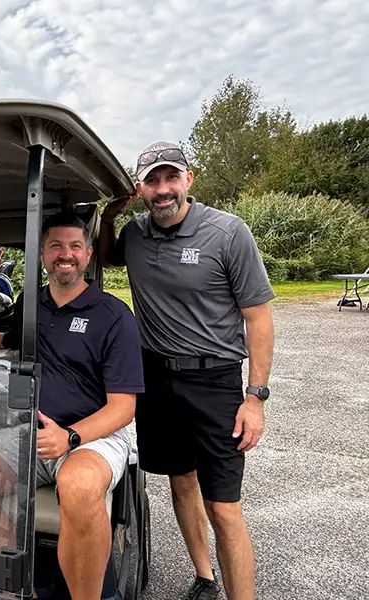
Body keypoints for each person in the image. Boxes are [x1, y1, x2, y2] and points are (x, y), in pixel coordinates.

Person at [99, 141, 275, 600]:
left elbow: (258, 317)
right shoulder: (135, 234)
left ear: (188, 179)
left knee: (224, 506)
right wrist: (107, 217)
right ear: (140, 188)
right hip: (155, 377)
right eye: (152, 181)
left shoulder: (228, 232)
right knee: (181, 479)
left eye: (170, 178)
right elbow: (103, 256)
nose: (163, 190)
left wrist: (255, 397)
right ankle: (204, 577)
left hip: (215, 379)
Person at [0, 212, 145, 600]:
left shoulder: (113, 316)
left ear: (89, 254)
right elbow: (3, 340)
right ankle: (19, 592)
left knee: (76, 486)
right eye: (56, 246)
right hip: (30, 430)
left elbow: (123, 408)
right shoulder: (31, 304)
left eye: (75, 246)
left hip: (93, 435)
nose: (66, 255)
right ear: (42, 254)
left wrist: (71, 437)